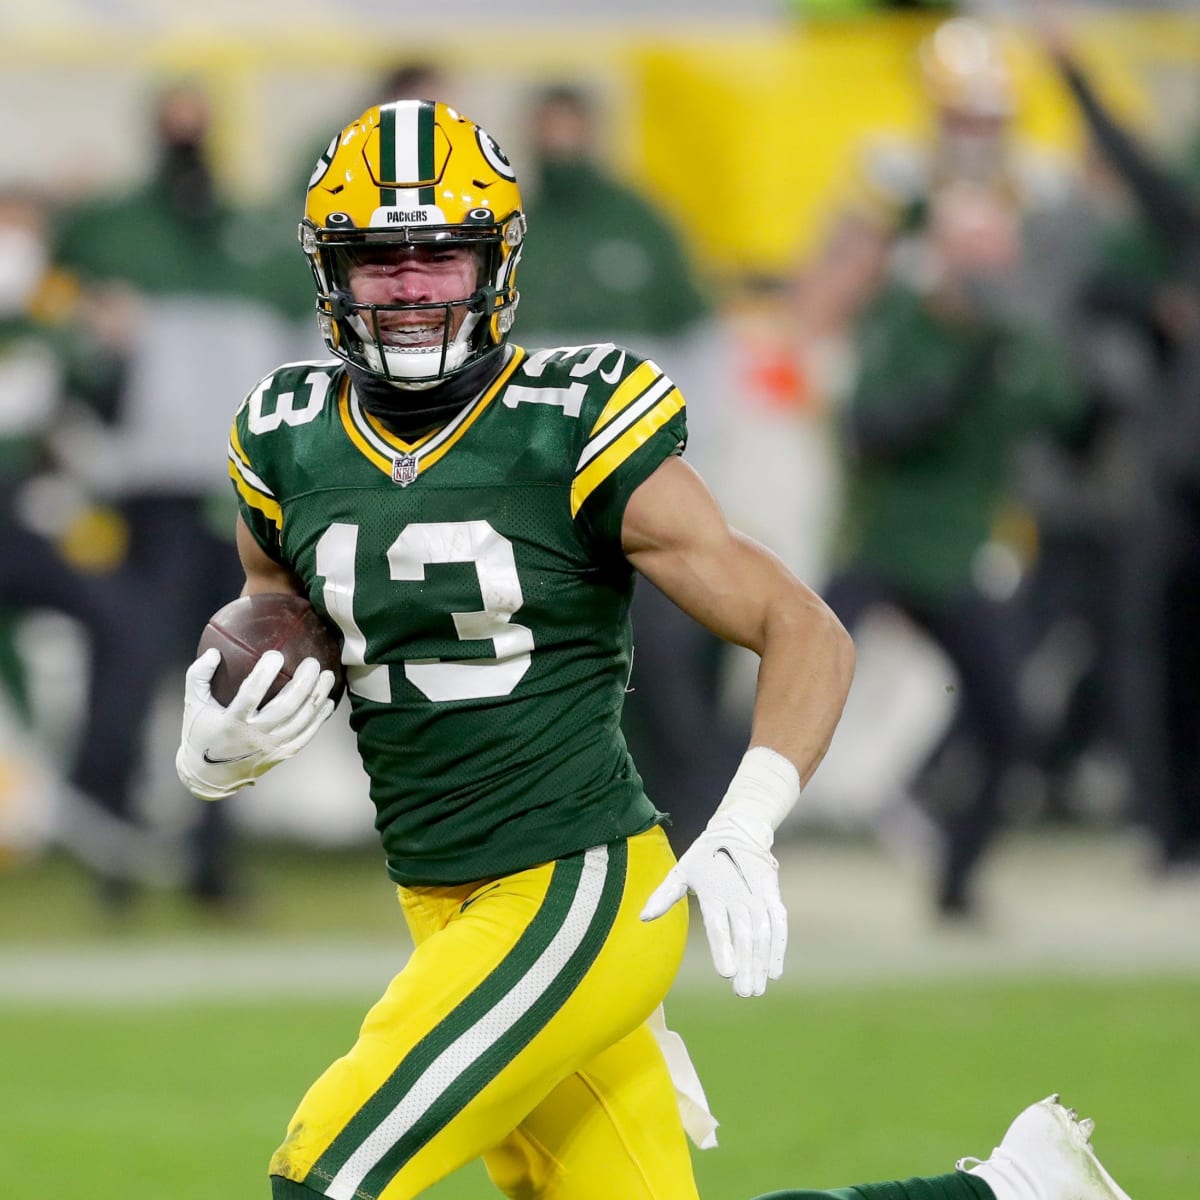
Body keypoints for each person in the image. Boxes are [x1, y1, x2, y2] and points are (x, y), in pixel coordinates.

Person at [173, 100, 1129, 1200]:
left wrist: (750, 817)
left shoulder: (566, 420)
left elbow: (801, 627)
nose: (411, 283)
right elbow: (275, 608)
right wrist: (221, 741)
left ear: (497, 261)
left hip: (567, 887)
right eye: (378, 257)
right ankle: (1014, 1190)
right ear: (329, 271)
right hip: (439, 893)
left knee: (325, 1170)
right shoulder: (283, 432)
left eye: (440, 253)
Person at [54, 79, 299, 908]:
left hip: (236, 497)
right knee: (128, 673)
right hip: (146, 492)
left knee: (238, 678)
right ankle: (112, 851)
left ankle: (211, 858)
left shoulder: (260, 238)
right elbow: (59, 354)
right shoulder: (108, 230)